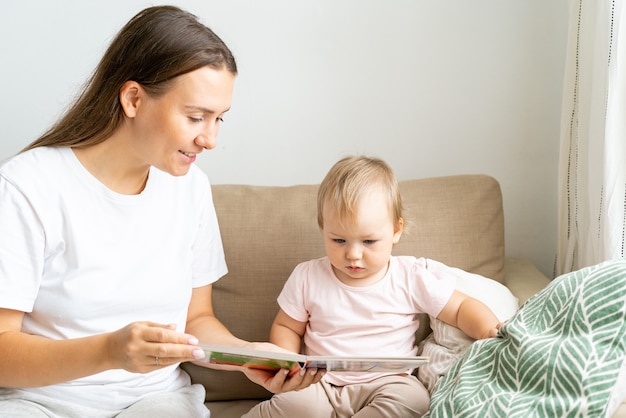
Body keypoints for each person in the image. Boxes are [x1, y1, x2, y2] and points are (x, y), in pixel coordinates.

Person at [0, 6, 321, 418]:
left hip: (155, 402)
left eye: (219, 118)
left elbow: (197, 318)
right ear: (133, 99)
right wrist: (108, 351)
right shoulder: (28, 186)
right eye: (195, 116)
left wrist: (246, 356)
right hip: (39, 403)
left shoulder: (190, 188)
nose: (211, 139)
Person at [243, 156, 503, 418]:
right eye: (339, 240)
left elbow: (459, 307)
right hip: (320, 383)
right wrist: (290, 365)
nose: (353, 254)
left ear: (396, 231)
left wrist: (488, 330)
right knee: (295, 405)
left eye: (368, 241)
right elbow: (287, 326)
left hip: (389, 382)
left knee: (415, 400)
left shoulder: (408, 276)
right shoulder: (307, 276)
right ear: (324, 229)